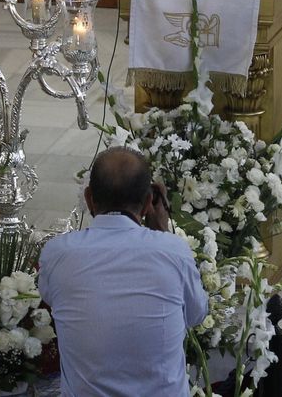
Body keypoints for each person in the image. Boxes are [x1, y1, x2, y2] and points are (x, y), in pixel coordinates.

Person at [38, 147, 207, 397]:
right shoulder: (173, 252)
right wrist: (161, 231)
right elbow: (196, 314)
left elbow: (53, 298)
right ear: (150, 202)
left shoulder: (57, 253)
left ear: (89, 198)